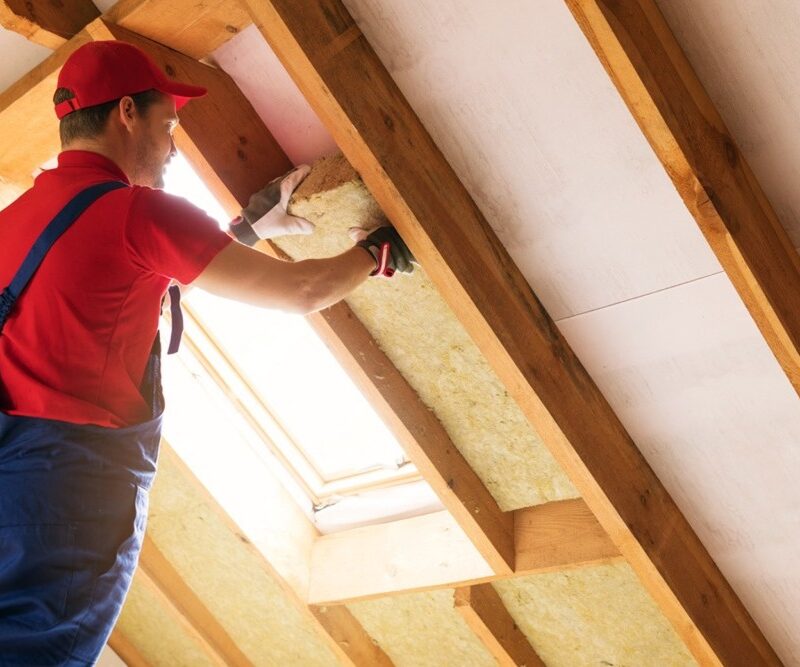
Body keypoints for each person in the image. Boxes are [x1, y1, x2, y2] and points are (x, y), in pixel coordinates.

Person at [0, 40, 414, 665]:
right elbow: (301, 291)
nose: (172, 149)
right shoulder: (140, 213)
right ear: (127, 115)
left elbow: (111, 288)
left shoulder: (15, 217)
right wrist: (376, 252)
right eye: (168, 126)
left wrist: (243, 233)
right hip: (69, 496)